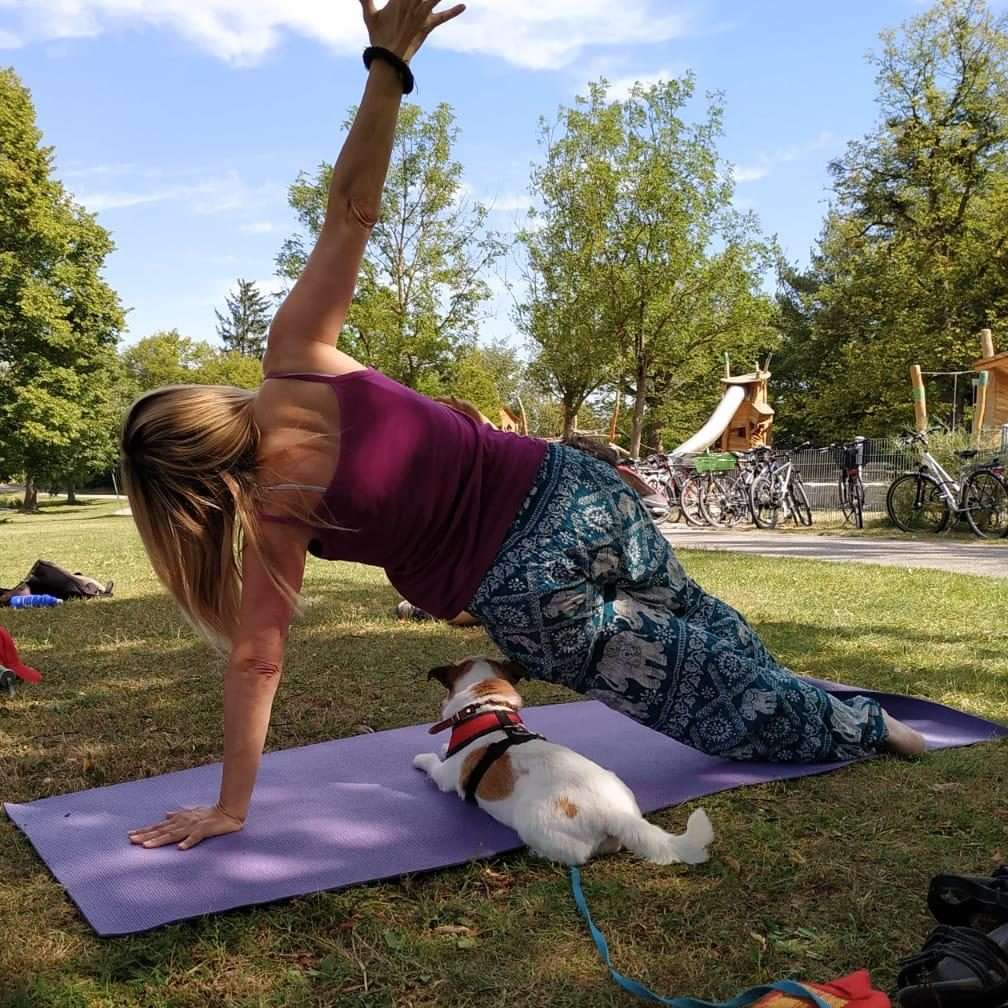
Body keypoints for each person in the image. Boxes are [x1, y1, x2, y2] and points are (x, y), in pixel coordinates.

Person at [121, 0, 924, 852]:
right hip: (575, 490)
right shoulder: (296, 357)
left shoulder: (280, 514)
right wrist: (387, 65)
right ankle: (827, 706)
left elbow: (257, 661)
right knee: (691, 615)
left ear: (188, 493)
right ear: (202, 405)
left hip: (526, 589)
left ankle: (864, 729)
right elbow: (350, 210)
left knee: (696, 689)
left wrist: (232, 807)